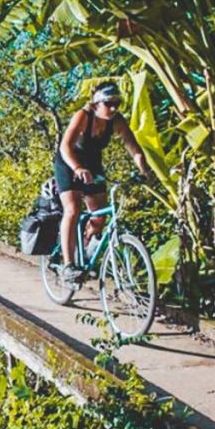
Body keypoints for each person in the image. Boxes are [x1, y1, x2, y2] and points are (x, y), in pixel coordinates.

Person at [54, 82, 149, 284]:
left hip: (93, 164)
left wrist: (144, 171)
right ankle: (68, 265)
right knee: (73, 209)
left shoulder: (116, 121)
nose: (114, 108)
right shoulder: (83, 116)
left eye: (117, 103)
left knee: (100, 216)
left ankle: (86, 252)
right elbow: (65, 146)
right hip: (69, 162)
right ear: (97, 103)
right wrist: (77, 168)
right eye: (109, 103)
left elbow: (134, 148)